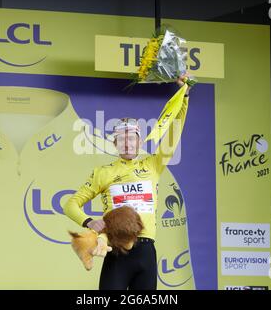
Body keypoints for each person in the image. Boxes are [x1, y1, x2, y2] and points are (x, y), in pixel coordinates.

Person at [63, 74, 191, 290]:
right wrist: (89, 222)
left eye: (131, 138)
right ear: (115, 143)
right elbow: (70, 204)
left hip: (146, 252)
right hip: (117, 251)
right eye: (121, 138)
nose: (127, 143)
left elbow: (173, 133)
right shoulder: (103, 172)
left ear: (139, 141)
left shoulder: (153, 164)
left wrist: (184, 97)